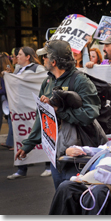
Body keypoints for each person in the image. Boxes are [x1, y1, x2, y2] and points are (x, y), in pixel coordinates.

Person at [14, 40, 101, 189]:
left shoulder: (80, 81)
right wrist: (28, 144)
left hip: (78, 154)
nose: (43, 59)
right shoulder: (48, 81)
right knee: (62, 200)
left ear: (53, 61)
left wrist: (59, 111)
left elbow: (89, 114)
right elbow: (41, 117)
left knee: (78, 200)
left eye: (45, 56)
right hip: (57, 154)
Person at [6, 46, 52, 179]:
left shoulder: (37, 68)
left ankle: (48, 165)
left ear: (28, 56)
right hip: (21, 110)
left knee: (42, 135)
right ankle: (21, 168)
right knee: (21, 137)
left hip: (33, 108)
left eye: (19, 54)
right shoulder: (19, 70)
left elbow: (42, 80)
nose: (17, 57)